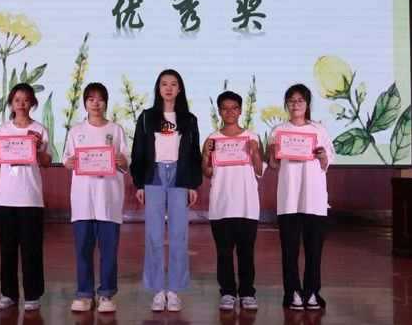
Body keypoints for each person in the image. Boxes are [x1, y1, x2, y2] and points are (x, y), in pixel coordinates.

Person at [130, 69, 202, 312]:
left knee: (179, 236)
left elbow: (194, 154)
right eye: (164, 84)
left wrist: (193, 184)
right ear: (158, 88)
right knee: (153, 235)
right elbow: (138, 151)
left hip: (180, 177)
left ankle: (174, 291)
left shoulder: (189, 119)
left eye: (173, 84)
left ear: (180, 89)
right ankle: (158, 291)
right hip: (154, 176)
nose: (169, 88)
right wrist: (139, 184)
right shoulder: (147, 117)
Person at [63, 83, 130, 314]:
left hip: (109, 198)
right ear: (85, 103)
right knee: (83, 248)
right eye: (91, 99)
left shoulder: (116, 130)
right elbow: (67, 159)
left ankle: (107, 294)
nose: (95, 103)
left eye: (100, 99)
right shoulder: (76, 131)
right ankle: (84, 294)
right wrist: (69, 163)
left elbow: (125, 159)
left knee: (109, 250)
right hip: (83, 199)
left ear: (106, 103)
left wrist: (123, 161)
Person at [267, 84, 335, 311]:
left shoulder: (319, 129)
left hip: (314, 199)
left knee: (314, 250)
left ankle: (312, 292)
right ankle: (293, 292)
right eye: (291, 100)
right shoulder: (278, 130)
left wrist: (322, 156)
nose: (296, 104)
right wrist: (272, 153)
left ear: (307, 104)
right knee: (289, 250)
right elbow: (274, 165)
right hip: (289, 199)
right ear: (286, 104)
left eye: (300, 100)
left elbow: (327, 163)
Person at [0, 83, 52, 311]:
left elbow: (46, 162)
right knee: (7, 249)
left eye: (25, 100)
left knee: (31, 249)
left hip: (31, 198)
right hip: (5, 198)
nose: (21, 104)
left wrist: (38, 149)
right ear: (11, 103)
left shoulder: (40, 130)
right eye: (17, 100)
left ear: (32, 102)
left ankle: (33, 295)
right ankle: (8, 294)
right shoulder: (2, 130)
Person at [201, 91, 264, 312]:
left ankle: (247, 292)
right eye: (225, 108)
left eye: (234, 108)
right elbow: (207, 172)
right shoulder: (212, 138)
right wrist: (205, 155)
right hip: (221, 205)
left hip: (247, 205)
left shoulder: (252, 137)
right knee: (224, 253)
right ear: (219, 111)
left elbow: (259, 170)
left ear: (240, 110)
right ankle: (227, 292)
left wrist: (255, 154)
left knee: (246, 252)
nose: (229, 112)